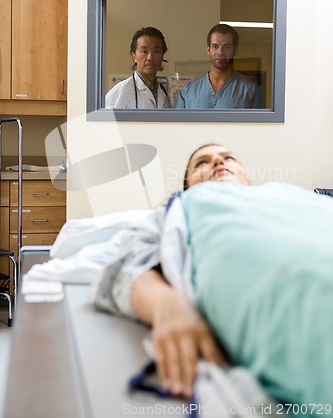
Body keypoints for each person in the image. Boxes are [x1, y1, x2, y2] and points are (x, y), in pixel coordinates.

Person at [92, 144, 333, 410]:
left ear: (246, 175)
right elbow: (126, 266)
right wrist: (167, 305)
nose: (218, 160)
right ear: (188, 186)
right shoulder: (182, 208)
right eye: (201, 163)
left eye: (228, 157)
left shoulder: (288, 194)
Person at [175, 24, 257, 109]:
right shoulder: (188, 91)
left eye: (227, 47)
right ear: (208, 50)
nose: (220, 52)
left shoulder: (249, 89)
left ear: (235, 50)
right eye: (215, 46)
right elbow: (178, 121)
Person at [105, 27, 172, 109]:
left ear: (162, 55)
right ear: (134, 56)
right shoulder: (120, 92)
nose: (150, 57)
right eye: (144, 51)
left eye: (156, 51)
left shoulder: (164, 93)